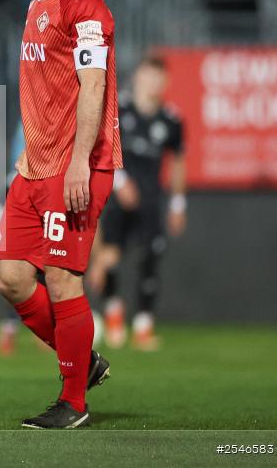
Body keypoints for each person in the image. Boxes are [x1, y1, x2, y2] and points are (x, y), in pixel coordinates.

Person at [0, 0, 121, 429]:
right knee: (11, 278)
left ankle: (74, 402)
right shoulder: (36, 6)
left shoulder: (85, 4)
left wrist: (78, 164)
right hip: (33, 168)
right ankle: (81, 359)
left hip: (73, 167)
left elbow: (94, 86)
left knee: (63, 281)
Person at [87, 56, 186, 351]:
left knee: (151, 256)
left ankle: (143, 326)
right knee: (109, 255)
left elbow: (178, 162)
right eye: (148, 76)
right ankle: (114, 311)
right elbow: (101, 147)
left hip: (151, 199)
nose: (153, 82)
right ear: (138, 77)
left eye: (158, 78)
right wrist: (120, 181)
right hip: (118, 196)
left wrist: (178, 204)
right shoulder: (119, 109)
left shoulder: (171, 120)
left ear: (165, 82)